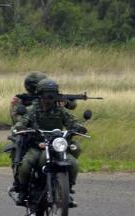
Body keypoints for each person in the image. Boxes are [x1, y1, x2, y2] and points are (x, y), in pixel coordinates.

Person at [11, 78, 84, 206]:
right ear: (40, 95)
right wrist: (20, 127)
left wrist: (78, 127)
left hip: (56, 145)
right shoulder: (33, 109)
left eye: (53, 94)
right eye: (46, 94)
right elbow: (22, 122)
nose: (49, 98)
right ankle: (23, 191)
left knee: (73, 164)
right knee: (25, 166)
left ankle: (67, 190)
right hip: (37, 146)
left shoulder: (60, 110)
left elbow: (71, 122)